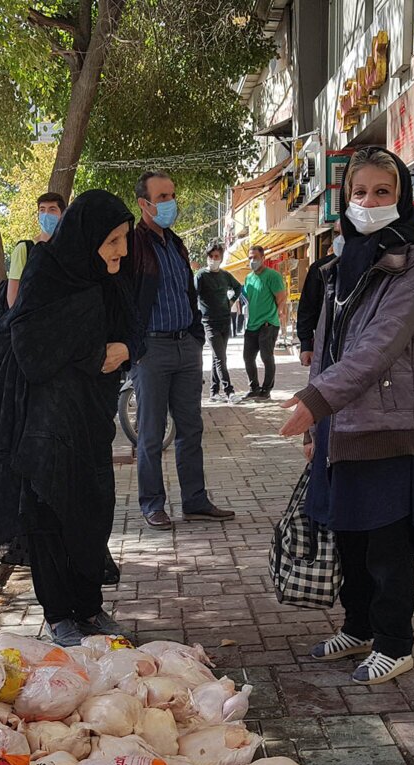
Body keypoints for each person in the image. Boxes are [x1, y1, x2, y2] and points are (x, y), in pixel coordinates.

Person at [278, 146, 414, 685]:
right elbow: (326, 345)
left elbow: (379, 346)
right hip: (340, 422)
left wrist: (316, 402)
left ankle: (396, 642)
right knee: (347, 532)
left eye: (383, 191)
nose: (369, 201)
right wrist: (318, 419)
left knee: (387, 542)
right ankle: (360, 625)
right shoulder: (341, 260)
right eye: (359, 192)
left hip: (388, 424)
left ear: (403, 197)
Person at [0, 190, 136, 647]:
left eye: (123, 240)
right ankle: (59, 613)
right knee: (48, 512)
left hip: (91, 417)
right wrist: (93, 355)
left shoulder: (110, 278)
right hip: (46, 421)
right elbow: (29, 346)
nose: (120, 251)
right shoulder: (45, 273)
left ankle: (89, 607)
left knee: (91, 509)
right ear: (87, 237)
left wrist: (127, 349)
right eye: (112, 241)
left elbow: (133, 330)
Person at [129, 170, 235, 530]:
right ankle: (153, 504)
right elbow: (124, 299)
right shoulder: (132, 244)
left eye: (172, 194)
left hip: (185, 347)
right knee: (151, 433)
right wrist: (135, 346)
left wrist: (194, 336)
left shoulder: (175, 244)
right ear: (144, 203)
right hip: (151, 351)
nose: (170, 203)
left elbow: (186, 294)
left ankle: (195, 500)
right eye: (162, 197)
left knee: (192, 428)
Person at [194, 241, 244, 402]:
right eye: (211, 256)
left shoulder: (225, 275)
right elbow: (192, 296)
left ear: (221, 258)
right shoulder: (201, 276)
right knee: (220, 357)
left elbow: (238, 287)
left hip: (225, 321)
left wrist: (231, 301)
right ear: (207, 257)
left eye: (217, 256)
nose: (214, 259)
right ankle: (229, 391)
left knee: (218, 357)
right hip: (209, 322)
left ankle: (214, 392)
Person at [6, 192, 67, 308]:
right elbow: (12, 294)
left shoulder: (68, 250)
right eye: (42, 210)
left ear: (62, 215)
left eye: (52, 210)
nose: (46, 214)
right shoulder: (24, 249)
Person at [241, 245, 286, 400]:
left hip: (268, 323)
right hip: (252, 324)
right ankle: (254, 388)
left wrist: (277, 314)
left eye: (255, 257)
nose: (252, 260)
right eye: (250, 258)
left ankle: (266, 390)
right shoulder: (248, 278)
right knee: (248, 357)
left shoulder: (272, 276)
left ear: (263, 258)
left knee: (266, 357)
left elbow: (281, 297)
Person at [296, 228, 343, 369]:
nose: (340, 238)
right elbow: (307, 307)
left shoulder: (372, 264)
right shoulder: (321, 268)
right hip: (327, 340)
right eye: (337, 233)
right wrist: (306, 345)